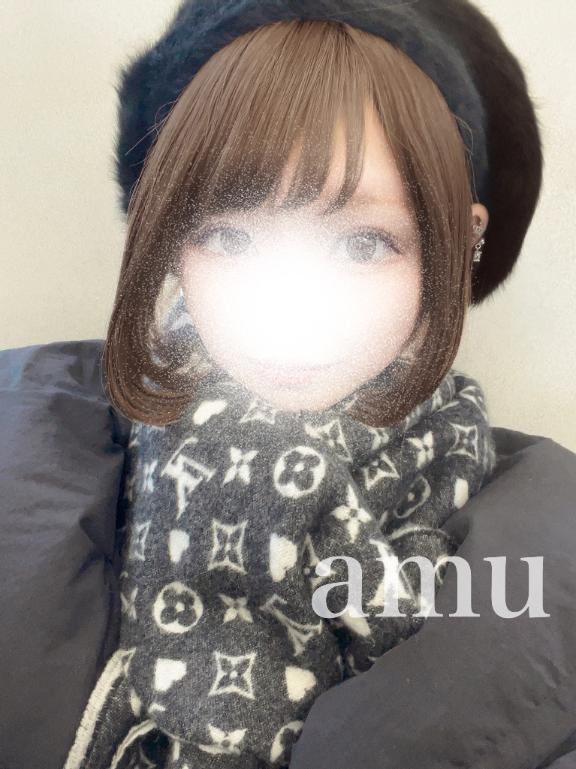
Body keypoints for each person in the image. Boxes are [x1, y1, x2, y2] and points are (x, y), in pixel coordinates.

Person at [62, 3, 576, 769]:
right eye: (228, 235)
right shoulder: (28, 447)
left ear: (456, 243)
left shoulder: (549, 556)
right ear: (169, 240)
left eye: (363, 243)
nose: (288, 305)